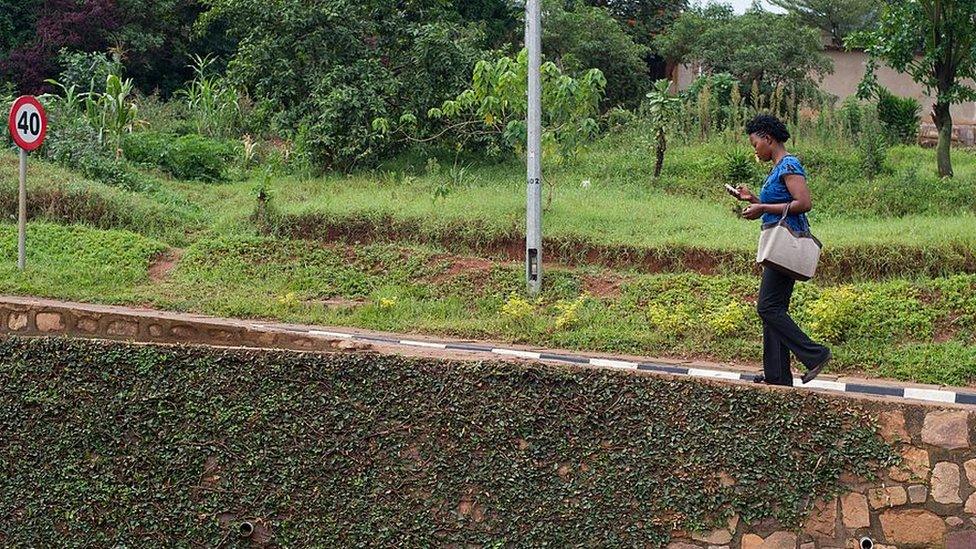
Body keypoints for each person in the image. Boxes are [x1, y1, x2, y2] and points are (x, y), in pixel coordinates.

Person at [733, 114, 831, 387]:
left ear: (768, 138)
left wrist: (762, 208)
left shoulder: (789, 164)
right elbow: (780, 202)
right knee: (774, 308)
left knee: (767, 307)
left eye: (755, 144)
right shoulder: (778, 167)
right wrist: (754, 200)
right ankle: (777, 376)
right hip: (779, 245)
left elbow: (803, 202)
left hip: (786, 243)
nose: (755, 149)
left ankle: (815, 354)